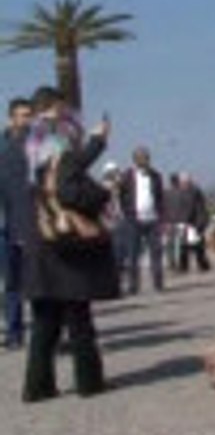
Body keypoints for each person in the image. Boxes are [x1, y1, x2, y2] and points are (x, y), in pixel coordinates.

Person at [21, 86, 117, 401]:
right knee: (78, 316)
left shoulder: (23, 141)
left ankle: (37, 386)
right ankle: (89, 382)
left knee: (45, 320)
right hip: (64, 243)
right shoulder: (52, 136)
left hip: (40, 237)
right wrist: (98, 143)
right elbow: (68, 181)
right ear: (56, 106)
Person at [1, 97, 34, 350]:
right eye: (21, 115)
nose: (26, 120)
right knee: (11, 281)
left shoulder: (38, 145)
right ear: (11, 118)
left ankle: (48, 333)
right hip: (6, 224)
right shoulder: (2, 146)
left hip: (32, 222)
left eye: (28, 115)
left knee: (37, 281)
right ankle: (14, 333)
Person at [119, 146, 165, 293]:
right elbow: (121, 195)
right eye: (141, 157)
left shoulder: (156, 176)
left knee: (156, 253)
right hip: (134, 220)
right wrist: (127, 212)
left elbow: (160, 197)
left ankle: (158, 284)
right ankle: (133, 286)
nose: (145, 160)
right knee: (133, 254)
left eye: (146, 157)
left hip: (153, 220)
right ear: (135, 160)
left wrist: (161, 217)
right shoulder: (127, 175)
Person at [175, 174, 211, 273]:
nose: (181, 184)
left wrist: (183, 220)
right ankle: (201, 265)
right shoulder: (194, 191)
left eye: (182, 182)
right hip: (195, 222)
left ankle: (185, 266)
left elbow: (190, 208)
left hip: (193, 222)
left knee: (188, 245)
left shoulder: (191, 192)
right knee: (195, 245)